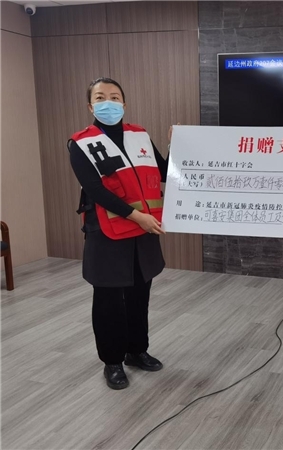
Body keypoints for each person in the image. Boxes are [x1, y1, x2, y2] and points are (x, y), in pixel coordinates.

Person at [68, 77, 169, 390]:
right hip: (107, 231)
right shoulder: (80, 143)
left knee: (140, 293)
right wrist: (137, 217)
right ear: (90, 106)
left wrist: (177, 145)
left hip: (143, 230)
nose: (108, 103)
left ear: (124, 103)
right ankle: (112, 361)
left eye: (114, 97)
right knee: (109, 300)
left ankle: (136, 351)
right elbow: (96, 190)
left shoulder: (139, 135)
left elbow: (166, 172)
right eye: (100, 98)